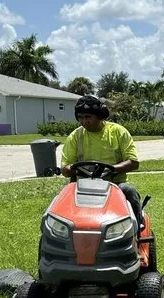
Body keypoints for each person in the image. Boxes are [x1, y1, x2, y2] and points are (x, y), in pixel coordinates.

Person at [60, 95, 143, 226]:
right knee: (60, 198)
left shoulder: (118, 132)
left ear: (99, 115)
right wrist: (72, 169)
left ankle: (137, 227)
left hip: (115, 184)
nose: (83, 121)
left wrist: (111, 169)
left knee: (129, 191)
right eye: (80, 117)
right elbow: (65, 167)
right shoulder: (75, 136)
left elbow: (133, 162)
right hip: (82, 185)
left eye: (88, 117)